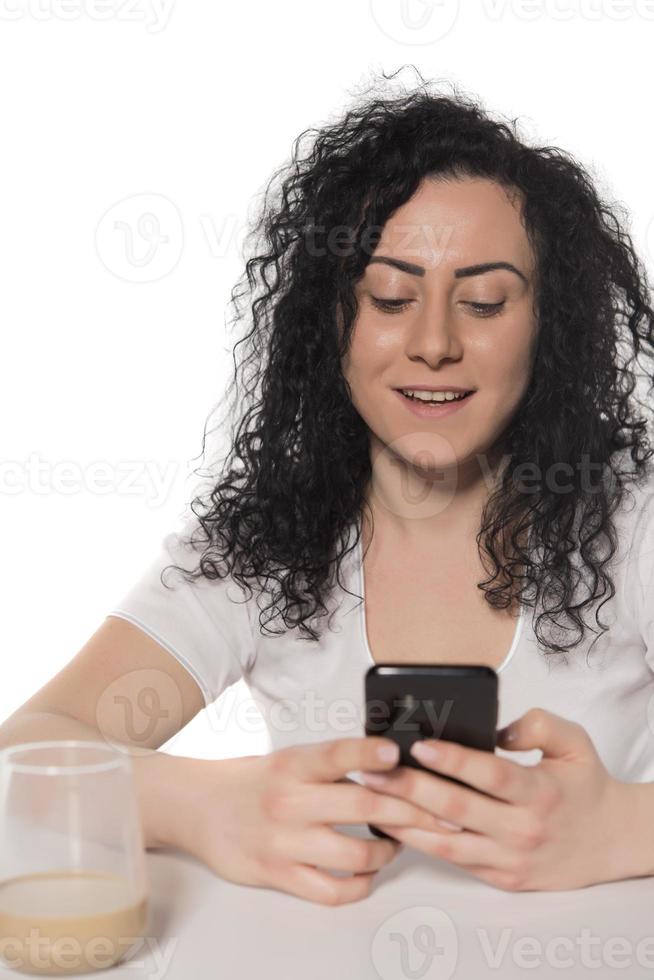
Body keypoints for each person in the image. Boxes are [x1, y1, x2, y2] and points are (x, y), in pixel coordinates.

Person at [3, 68, 654, 905]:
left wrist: (617, 828)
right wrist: (198, 806)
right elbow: (20, 759)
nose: (433, 344)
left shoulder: (632, 525)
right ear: (332, 321)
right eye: (390, 297)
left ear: (549, 328)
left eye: (485, 303)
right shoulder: (261, 545)